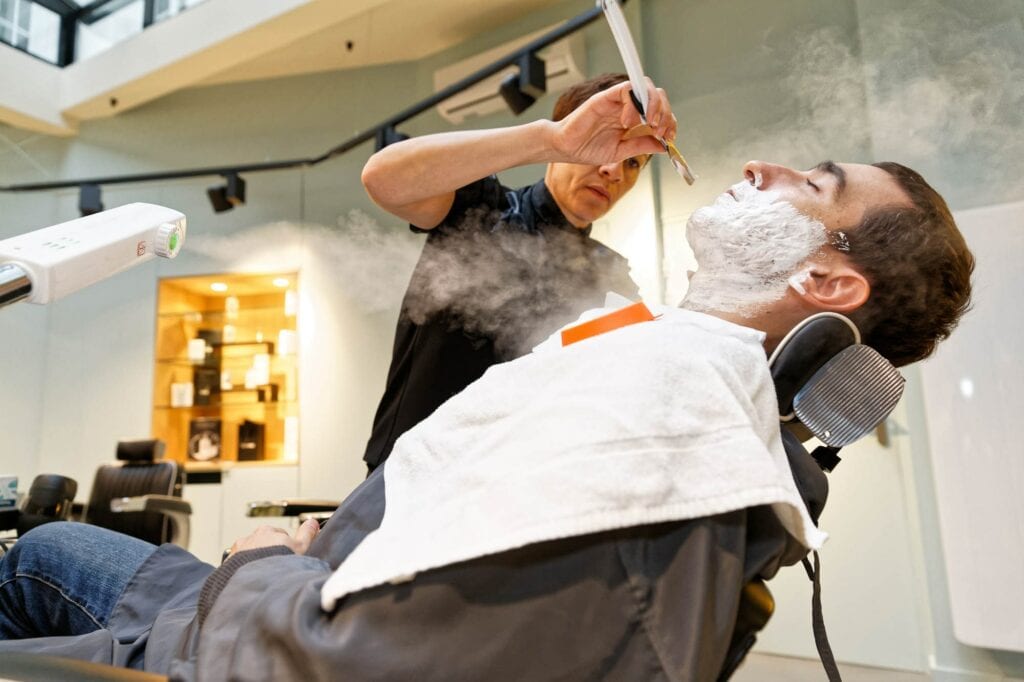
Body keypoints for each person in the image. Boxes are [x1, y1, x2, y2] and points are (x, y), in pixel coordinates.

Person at [0, 146, 973, 678]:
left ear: (824, 279)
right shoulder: (655, 365)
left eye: (811, 183)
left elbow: (357, 668)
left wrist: (268, 573)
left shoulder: (674, 439)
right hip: (320, 565)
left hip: (230, 633)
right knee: (46, 550)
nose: (761, 164)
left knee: (39, 557)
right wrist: (333, 537)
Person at [359, 73, 674, 473]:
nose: (614, 170)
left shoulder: (613, 278)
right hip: (413, 481)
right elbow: (382, 178)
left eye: (633, 162)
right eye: (604, 145)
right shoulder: (480, 212)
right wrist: (552, 139)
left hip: (524, 496)